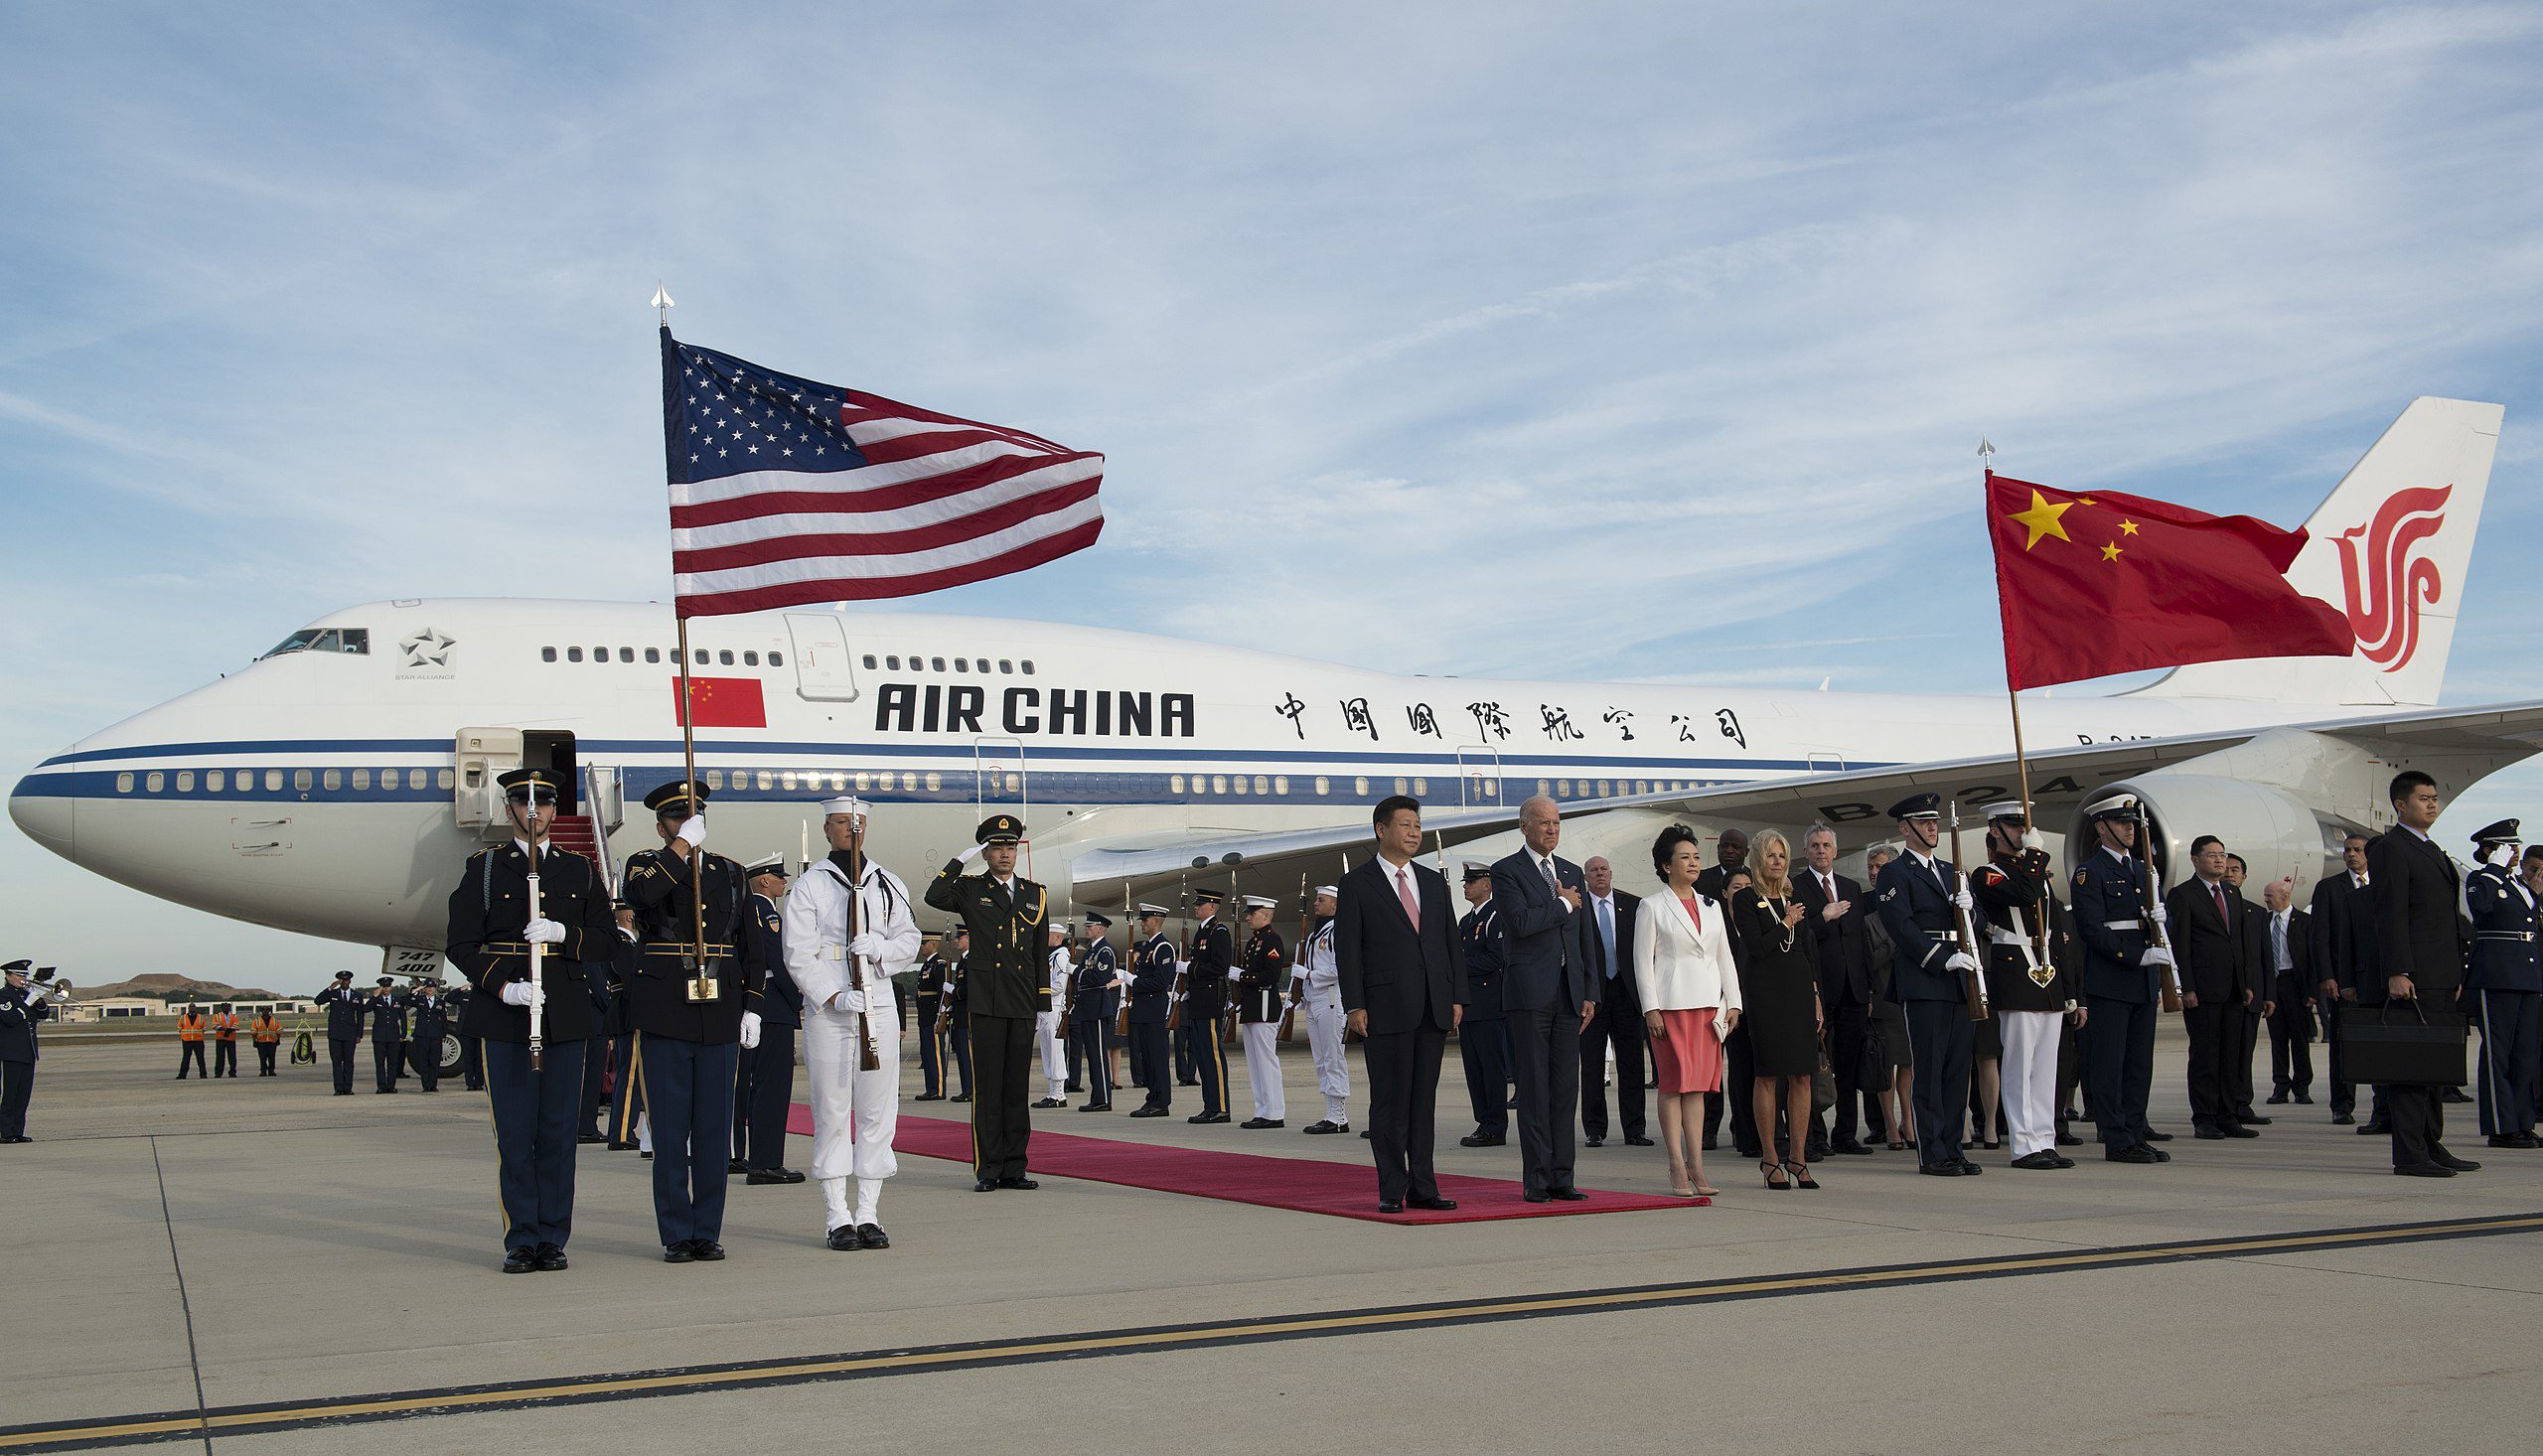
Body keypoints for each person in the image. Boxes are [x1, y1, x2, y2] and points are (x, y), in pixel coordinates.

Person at [445, 767, 613, 1273]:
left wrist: (566, 932)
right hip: (506, 1014)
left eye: (542, 803)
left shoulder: (580, 871)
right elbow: (460, 944)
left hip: (563, 1013)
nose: (534, 812)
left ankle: (553, 1237)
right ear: (510, 809)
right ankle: (520, 1237)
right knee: (516, 1133)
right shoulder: (486, 869)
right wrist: (503, 985)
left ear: (554, 810)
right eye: (524, 803)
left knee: (560, 1133)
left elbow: (606, 940)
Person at [622, 779, 765, 1262]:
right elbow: (642, 897)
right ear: (660, 825)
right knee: (669, 1129)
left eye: (693, 816)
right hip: (666, 1011)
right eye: (675, 818)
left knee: (712, 1130)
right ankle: (675, 1232)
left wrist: (753, 1005)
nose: (685, 824)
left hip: (720, 1008)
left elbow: (751, 947)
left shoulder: (731, 873)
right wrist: (681, 849)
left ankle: (707, 1229)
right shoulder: (645, 864)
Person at [787, 796, 921, 1248]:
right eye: (842, 823)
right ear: (828, 829)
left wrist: (882, 950)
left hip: (877, 1003)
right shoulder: (811, 885)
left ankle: (868, 1211)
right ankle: (836, 1214)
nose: (851, 829)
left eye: (858, 822)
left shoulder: (887, 882)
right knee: (831, 1109)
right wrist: (831, 993)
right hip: (831, 1010)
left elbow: (910, 937)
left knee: (877, 1112)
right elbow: (798, 953)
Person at [1335, 795, 1464, 1213]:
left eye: (1417, 825)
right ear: (1381, 830)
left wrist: (1456, 996)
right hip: (1384, 1006)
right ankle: (1392, 1188)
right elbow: (1348, 952)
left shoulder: (1432, 882)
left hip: (1431, 1005)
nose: (1414, 832)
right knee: (1389, 1103)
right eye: (1405, 825)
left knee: (1423, 1102)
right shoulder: (1357, 884)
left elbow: (1450, 945)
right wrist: (1355, 1004)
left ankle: (1424, 1186)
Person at [925, 813, 1053, 1193]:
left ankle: (1015, 1166)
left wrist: (1042, 1001)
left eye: (1010, 847)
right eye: (997, 848)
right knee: (988, 1090)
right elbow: (934, 896)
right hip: (987, 999)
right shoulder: (970, 889)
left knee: (1016, 1088)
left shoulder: (1035, 894)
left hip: (1021, 1000)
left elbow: (1038, 951)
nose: (1005, 855)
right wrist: (958, 861)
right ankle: (988, 1168)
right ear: (987, 852)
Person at [2367, 772, 2480, 1176]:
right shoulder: (2391, 848)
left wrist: (2457, 971)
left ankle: (2432, 1143)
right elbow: (2390, 913)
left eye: (2435, 798)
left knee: (2435, 1067)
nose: (2432, 804)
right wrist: (2398, 970)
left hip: (2441, 974)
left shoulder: (2430, 848)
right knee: (2412, 1066)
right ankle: (2410, 1154)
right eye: (2423, 798)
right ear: (2401, 804)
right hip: (2414, 975)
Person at [1493, 796, 1599, 1203]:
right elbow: (1520, 924)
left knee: (1564, 1088)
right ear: (1524, 827)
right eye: (1544, 823)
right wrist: (1561, 903)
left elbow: (1584, 936)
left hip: (1568, 993)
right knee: (1535, 1090)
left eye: (1556, 823)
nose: (1552, 829)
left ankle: (1562, 1176)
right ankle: (1536, 1179)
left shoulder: (1572, 872)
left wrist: (1590, 990)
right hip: (1529, 994)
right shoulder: (1507, 872)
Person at [1873, 794, 1985, 1177]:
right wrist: (1940, 957)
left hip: (1960, 977)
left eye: (1935, 821)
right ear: (1905, 829)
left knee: (1957, 1069)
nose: (1932, 827)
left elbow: (1980, 922)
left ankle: (1954, 1147)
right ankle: (1932, 1152)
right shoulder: (1895, 872)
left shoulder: (1953, 870)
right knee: (1931, 1068)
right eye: (1923, 821)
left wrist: (1970, 907)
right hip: (1926, 978)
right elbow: (1900, 926)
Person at [1968, 803, 2080, 1170]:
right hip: (2016, 972)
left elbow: (2054, 929)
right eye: (2014, 825)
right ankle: (2022, 1144)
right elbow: (2023, 895)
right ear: (1996, 830)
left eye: (2024, 826)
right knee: (2018, 1064)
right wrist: (2034, 853)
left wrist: (2069, 988)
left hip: (2047, 975)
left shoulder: (2036, 873)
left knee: (2047, 1066)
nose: (2022, 831)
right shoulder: (1988, 873)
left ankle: (2045, 1139)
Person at [1634, 826, 1740, 1198]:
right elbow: (1642, 963)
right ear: (1666, 865)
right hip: (1671, 1006)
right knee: (1673, 1085)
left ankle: (1696, 1162)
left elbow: (1724, 957)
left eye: (1696, 857)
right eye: (1685, 857)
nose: (1693, 863)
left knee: (1698, 1088)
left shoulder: (1711, 906)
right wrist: (1651, 1008)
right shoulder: (1651, 906)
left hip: (1709, 1007)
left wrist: (1734, 1002)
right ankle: (1676, 1163)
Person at [2070, 795, 2174, 1165]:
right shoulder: (2090, 872)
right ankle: (2116, 1138)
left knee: (2138, 1063)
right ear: (2102, 827)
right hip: (2114, 977)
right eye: (2121, 822)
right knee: (2110, 1063)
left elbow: (2160, 921)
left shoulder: (2143, 868)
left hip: (2144, 979)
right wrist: (2135, 955)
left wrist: (2162, 921)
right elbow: (2092, 929)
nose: (2130, 828)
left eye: (2132, 822)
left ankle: (2135, 1130)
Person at [1728, 830, 1822, 1189]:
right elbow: (1758, 946)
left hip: (1798, 989)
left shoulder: (1793, 897)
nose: (1778, 861)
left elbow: (1807, 949)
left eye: (1782, 855)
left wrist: (1815, 995)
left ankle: (1798, 1157)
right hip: (1766, 991)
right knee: (1767, 1075)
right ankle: (1770, 1158)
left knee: (1802, 1075)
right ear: (1758, 859)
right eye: (1771, 855)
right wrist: (1786, 923)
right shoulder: (1746, 898)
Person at [2166, 835, 2259, 1140]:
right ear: (2195, 859)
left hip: (2233, 987)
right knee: (2206, 1054)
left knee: (2231, 1054)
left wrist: (2246, 983)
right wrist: (2186, 987)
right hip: (2203, 989)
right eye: (2212, 855)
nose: (2220, 860)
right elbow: (2180, 944)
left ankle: (2228, 1115)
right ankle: (2204, 1117)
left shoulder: (2232, 893)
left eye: (2222, 855)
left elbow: (2240, 943)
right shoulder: (2184, 895)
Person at [1794, 824, 1875, 1157]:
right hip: (1819, 991)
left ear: (1836, 851)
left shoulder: (1851, 888)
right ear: (1807, 852)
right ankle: (1815, 1136)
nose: (1821, 851)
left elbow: (1861, 942)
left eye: (1826, 845)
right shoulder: (1796, 887)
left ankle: (1845, 1134)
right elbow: (1797, 936)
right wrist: (1822, 918)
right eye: (1814, 846)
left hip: (1853, 991)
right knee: (1815, 1065)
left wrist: (1868, 989)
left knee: (1849, 1065)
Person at [2464, 825, 2538, 1147]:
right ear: (2491, 849)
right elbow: (2480, 909)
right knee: (2498, 1053)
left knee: (2525, 1055)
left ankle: (2522, 1122)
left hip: (2527, 974)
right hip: (2497, 975)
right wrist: (2493, 867)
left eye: (2516, 846)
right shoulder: (2482, 880)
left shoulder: (2520, 885)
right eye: (2508, 846)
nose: (2515, 852)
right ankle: (2500, 1126)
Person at [737, 855, 807, 1184]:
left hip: (751, 1004)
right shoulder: (764, 913)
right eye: (779, 878)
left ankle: (742, 1155)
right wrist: (799, 999)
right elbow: (780, 961)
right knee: (772, 1088)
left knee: (746, 1087)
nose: (783, 883)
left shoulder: (741, 908)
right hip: (772, 1006)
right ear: (764, 880)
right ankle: (765, 1162)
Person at [1577, 857, 1647, 1149]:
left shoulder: (1633, 905)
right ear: (1586, 877)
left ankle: (1635, 1129)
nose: (1600, 874)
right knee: (1592, 1065)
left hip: (1626, 993)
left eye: (1604, 869)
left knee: (1632, 1064)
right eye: (1593, 870)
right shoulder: (1577, 908)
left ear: (1611, 873)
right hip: (1593, 995)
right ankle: (1595, 1129)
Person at [1696, 829, 1755, 1154]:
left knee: (1745, 1068)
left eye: (1736, 846)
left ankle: (1742, 1127)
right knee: (1711, 1071)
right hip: (1713, 998)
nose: (1730, 851)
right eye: (1724, 846)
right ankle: (1708, 1129)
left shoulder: (1758, 900)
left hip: (1750, 999)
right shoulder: (1702, 886)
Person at [2311, 832, 2376, 1127]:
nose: (2351, 854)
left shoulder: (2383, 884)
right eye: (2348, 850)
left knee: (2380, 1043)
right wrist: (2327, 975)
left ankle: (2383, 1105)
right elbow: (2320, 936)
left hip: (2376, 977)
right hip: (2343, 977)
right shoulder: (2329, 888)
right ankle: (2342, 1104)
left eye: (2357, 850)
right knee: (2342, 1044)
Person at [1454, 863, 1509, 1148]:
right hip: (1470, 1005)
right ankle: (1484, 1121)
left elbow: (1496, 958)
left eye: (1471, 881)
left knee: (1491, 1068)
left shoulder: (1496, 917)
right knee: (1474, 1069)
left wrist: (1458, 966)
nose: (1466, 885)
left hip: (1489, 1004)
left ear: (1487, 885)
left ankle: (1495, 1125)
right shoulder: (1467, 920)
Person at [1292, 887, 1350, 1134]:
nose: (1315, 904)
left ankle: (1338, 1116)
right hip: (1315, 997)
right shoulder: (1317, 934)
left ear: (1336, 906)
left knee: (1332, 1056)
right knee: (1320, 1059)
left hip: (1330, 996)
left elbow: (1342, 968)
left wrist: (1310, 975)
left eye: (1321, 900)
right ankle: (1330, 1112)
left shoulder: (1339, 931)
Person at [1179, 889, 1234, 1124]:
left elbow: (1220, 967)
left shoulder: (1218, 932)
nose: (1196, 908)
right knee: (1202, 1054)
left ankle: (1220, 1107)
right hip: (1199, 999)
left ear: (1212, 907)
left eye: (1200, 905)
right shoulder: (1202, 931)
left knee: (1212, 1055)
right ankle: (1209, 1105)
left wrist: (1189, 969)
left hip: (1211, 1000)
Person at [1233, 897, 1287, 1128]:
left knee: (1266, 1060)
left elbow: (1271, 975)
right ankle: (1262, 1109)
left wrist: (1241, 976)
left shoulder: (1271, 940)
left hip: (1265, 1006)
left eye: (1252, 914)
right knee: (1255, 1063)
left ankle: (1274, 1112)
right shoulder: (1254, 941)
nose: (1247, 918)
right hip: (1252, 1005)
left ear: (1265, 915)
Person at [2261, 877, 2315, 1105]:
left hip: (2294, 983)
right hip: (2273, 984)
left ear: (2285, 895)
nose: (2266, 900)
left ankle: (2302, 1086)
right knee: (2278, 1038)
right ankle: (2280, 1085)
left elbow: (2312, 958)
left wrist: (2312, 991)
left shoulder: (2304, 921)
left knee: (2299, 1038)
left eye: (2269, 896)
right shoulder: (2263, 921)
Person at [1125, 905, 1177, 1117]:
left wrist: (1134, 982)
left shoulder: (1163, 947)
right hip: (1143, 1010)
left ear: (1156, 920)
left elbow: (1162, 981)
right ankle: (1153, 1097)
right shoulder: (1148, 947)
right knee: (1147, 1057)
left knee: (1157, 1057)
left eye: (1145, 919)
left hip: (1155, 1010)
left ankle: (1161, 1101)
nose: (1142, 923)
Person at [1072, 913, 1122, 1112]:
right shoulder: (1091, 951)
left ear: (1101, 928)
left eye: (1090, 925)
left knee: (1099, 1055)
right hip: (1087, 1007)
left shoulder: (1105, 951)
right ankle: (1097, 1097)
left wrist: (1075, 972)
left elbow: (1100, 977)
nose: (1087, 928)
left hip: (1097, 1007)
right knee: (1092, 1054)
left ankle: (1103, 1099)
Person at [0, 961, 52, 1142]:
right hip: (11, 1052)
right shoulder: (4, 996)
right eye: (19, 975)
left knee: (23, 1095)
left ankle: (17, 1132)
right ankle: (6, 1133)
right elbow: (10, 1019)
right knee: (10, 1094)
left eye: (25, 976)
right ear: (8, 976)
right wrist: (26, 1003)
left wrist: (38, 999)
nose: (23, 979)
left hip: (28, 1051)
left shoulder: (25, 994)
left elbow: (44, 1014)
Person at [1035, 922, 1072, 1109]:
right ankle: (1053, 1092)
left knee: (1054, 1051)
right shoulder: (1050, 957)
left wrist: (1040, 992)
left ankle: (1059, 1094)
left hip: (1054, 1007)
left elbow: (1060, 984)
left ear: (1057, 937)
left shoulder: (1061, 957)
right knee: (1047, 1050)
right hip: (1045, 1007)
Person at [314, 971, 365, 1095]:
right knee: (336, 1062)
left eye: (346, 980)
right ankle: (338, 1087)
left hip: (349, 1033)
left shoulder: (357, 996)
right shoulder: (333, 994)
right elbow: (318, 1001)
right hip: (335, 1033)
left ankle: (347, 1087)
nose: (344, 982)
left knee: (348, 1061)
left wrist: (359, 1034)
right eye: (342, 980)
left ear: (350, 981)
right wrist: (330, 988)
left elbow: (360, 1016)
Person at [913, 932, 949, 1100]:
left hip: (933, 1015)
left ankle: (938, 1089)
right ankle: (931, 1088)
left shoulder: (939, 964)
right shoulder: (927, 965)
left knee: (935, 1053)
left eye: (924, 943)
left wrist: (940, 1014)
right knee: (927, 1054)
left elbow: (942, 991)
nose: (921, 946)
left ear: (933, 944)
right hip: (925, 1016)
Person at [940, 928, 974, 1102]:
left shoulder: (972, 960)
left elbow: (971, 989)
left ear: (969, 938)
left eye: (959, 938)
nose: (956, 941)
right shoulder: (962, 961)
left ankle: (970, 1089)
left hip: (968, 1014)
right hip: (960, 1013)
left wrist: (954, 992)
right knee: (961, 1053)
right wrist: (951, 1004)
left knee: (967, 1054)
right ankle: (966, 1088)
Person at [367, 978, 406, 1093]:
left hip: (393, 1036)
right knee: (380, 1063)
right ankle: (381, 1085)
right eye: (383, 987)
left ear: (391, 987)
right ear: (380, 988)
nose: (386, 989)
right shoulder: (376, 1000)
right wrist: (374, 997)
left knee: (393, 1063)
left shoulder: (397, 1000)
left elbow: (403, 1017)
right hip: (379, 1036)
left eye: (388, 986)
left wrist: (403, 1033)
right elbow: (365, 1009)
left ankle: (391, 1085)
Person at [408, 983, 446, 1092]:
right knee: (423, 1061)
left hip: (435, 1036)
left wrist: (443, 1035)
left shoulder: (440, 1002)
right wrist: (415, 991)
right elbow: (406, 1000)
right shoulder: (419, 1000)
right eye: (428, 987)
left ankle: (433, 1085)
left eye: (432, 987)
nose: (430, 989)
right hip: (422, 1035)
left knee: (434, 1061)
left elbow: (443, 1019)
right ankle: (426, 1085)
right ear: (425, 989)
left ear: (435, 989)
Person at [176, 1003, 208, 1080]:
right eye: (190, 1007)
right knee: (186, 1059)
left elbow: (204, 1028)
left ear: (195, 1008)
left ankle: (203, 1074)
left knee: (200, 1059)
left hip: (198, 1041)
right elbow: (179, 1029)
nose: (192, 1008)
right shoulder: (183, 1018)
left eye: (193, 1007)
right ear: (188, 1008)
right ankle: (182, 1075)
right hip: (187, 1041)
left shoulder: (200, 1017)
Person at [210, 1003, 239, 1079]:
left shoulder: (234, 1016)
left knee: (232, 1057)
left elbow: (236, 1025)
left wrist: (229, 1030)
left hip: (231, 1039)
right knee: (220, 1057)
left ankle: (232, 1072)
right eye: (224, 1006)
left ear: (229, 1007)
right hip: (220, 1039)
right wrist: (224, 1029)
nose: (226, 1008)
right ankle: (218, 1073)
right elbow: (215, 1025)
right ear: (221, 1007)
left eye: (227, 1006)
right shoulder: (217, 1016)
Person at [250, 1006, 281, 1076]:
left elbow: (279, 1030)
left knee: (272, 1057)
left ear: (269, 1011)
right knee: (262, 1057)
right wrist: (254, 1041)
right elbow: (253, 1032)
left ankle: (271, 1071)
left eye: (267, 1010)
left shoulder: (275, 1020)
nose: (265, 1011)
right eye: (263, 1010)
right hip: (261, 1042)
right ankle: (263, 1071)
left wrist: (278, 1039)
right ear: (261, 1011)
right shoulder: (257, 1021)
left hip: (272, 1041)